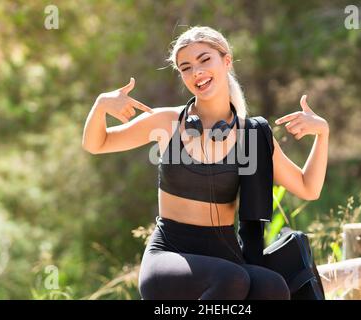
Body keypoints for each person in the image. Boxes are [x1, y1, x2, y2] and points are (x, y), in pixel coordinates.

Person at [82, 25, 329, 300]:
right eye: (185, 67)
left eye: (204, 60)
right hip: (171, 254)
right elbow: (97, 143)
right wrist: (101, 105)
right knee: (232, 278)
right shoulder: (168, 122)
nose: (196, 72)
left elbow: (309, 188)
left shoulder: (252, 135)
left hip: (225, 254)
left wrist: (322, 133)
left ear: (226, 61)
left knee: (272, 286)